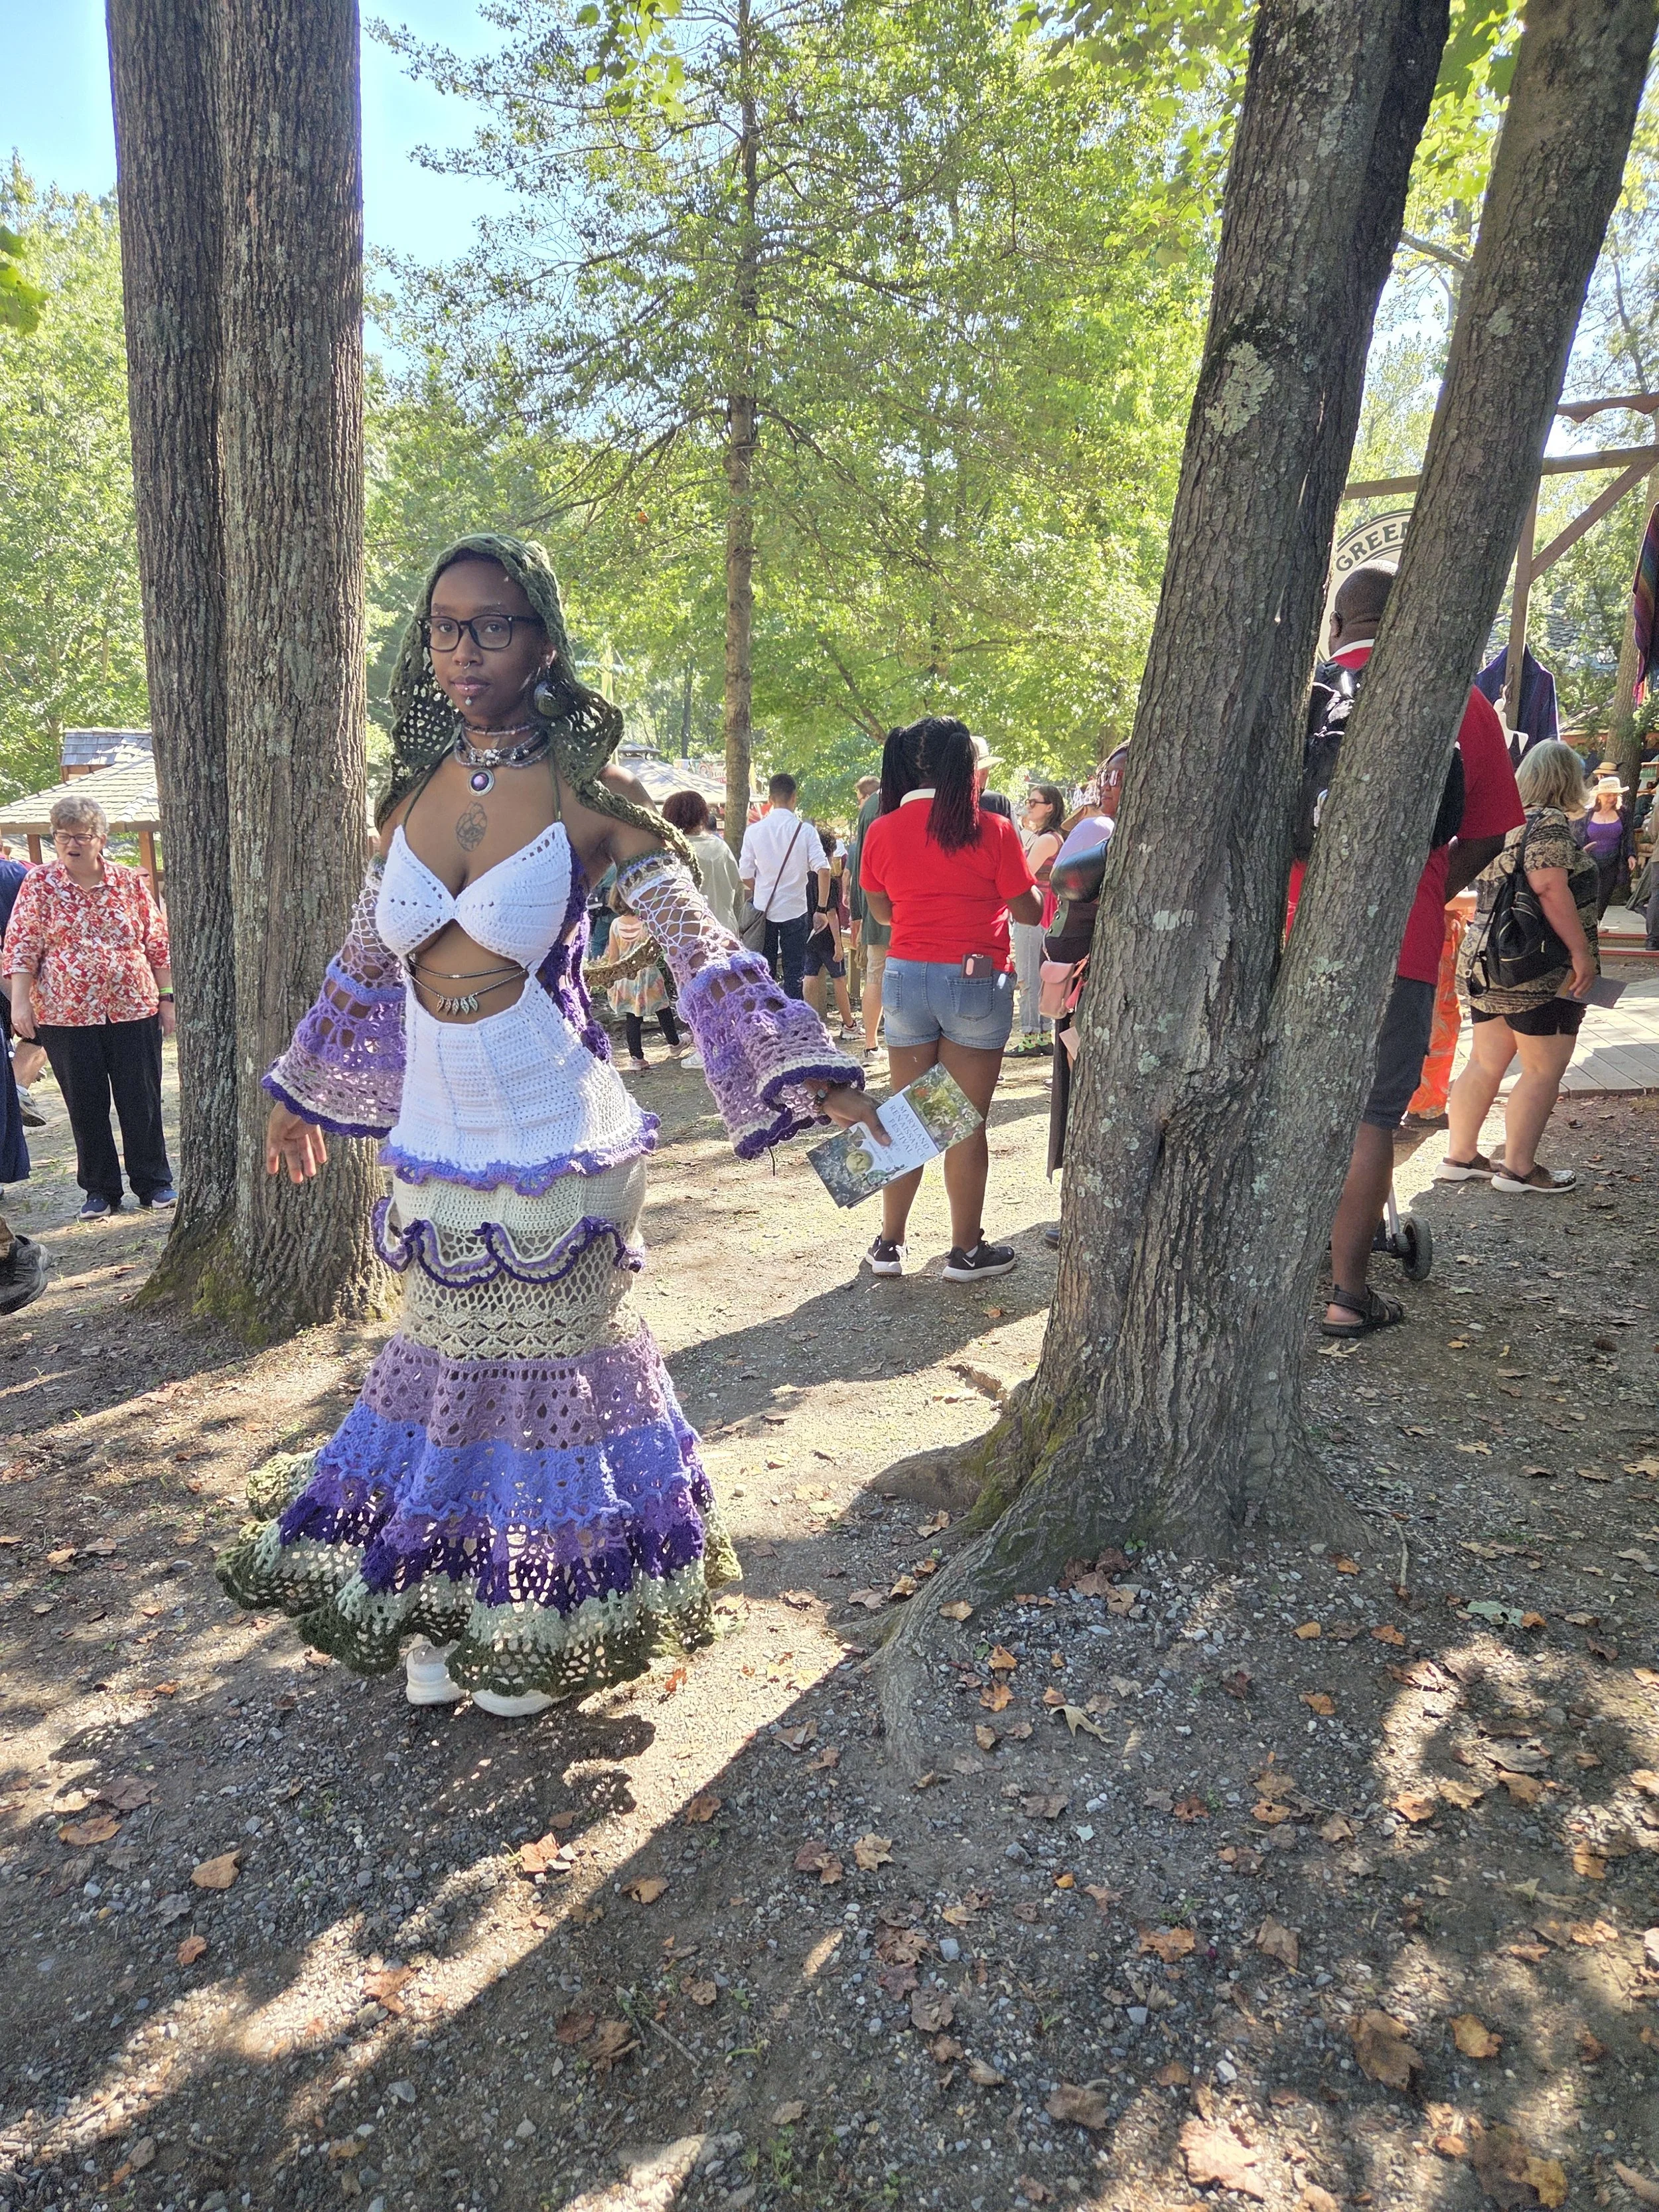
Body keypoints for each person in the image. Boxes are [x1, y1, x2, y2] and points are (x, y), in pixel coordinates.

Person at [222, 533, 877, 1718]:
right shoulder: (409, 800)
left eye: (492, 625)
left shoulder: (594, 805)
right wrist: (295, 1090)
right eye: (444, 626)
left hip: (555, 1132)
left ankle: (537, 1615)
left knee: (549, 1388)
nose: (464, 650)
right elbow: (369, 957)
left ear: (544, 642)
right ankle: (441, 1605)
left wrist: (807, 1072)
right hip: (432, 1133)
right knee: (441, 1378)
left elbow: (700, 948)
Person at [1305, 566, 1523, 1337]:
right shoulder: (1455, 703)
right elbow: (1494, 830)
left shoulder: (1304, 704)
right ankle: (1347, 1293)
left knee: (1289, 1102)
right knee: (1371, 1116)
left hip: (1292, 940)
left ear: (1336, 627)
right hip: (1396, 941)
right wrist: (1424, 889)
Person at [858, 716, 1041, 1281]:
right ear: (963, 761)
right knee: (964, 1121)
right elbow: (1027, 908)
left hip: (906, 975)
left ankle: (890, 1245)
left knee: (906, 1112)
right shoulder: (994, 829)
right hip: (976, 976)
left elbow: (882, 911)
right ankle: (965, 1251)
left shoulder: (882, 830)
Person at [3, 795, 177, 1222]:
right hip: (65, 1015)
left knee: (142, 1098)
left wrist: (167, 998)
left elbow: (157, 943)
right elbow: (22, 947)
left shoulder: (129, 883)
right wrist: (20, 1004)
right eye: (62, 836)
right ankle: (99, 1190)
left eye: (80, 836)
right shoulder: (40, 884)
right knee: (85, 1103)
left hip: (133, 1008)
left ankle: (153, 1182)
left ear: (100, 839)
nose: (70, 844)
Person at [1437, 742, 1599, 1196]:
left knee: (1486, 1061)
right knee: (1543, 1069)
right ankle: (1519, 1168)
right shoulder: (1549, 824)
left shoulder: (1503, 824)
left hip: (1488, 962)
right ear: (1568, 779)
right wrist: (1582, 952)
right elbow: (1548, 886)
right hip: (1538, 965)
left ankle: (1461, 1155)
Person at [739, 773, 829, 1000]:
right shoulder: (805, 831)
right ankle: (794, 1022)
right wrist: (822, 909)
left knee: (764, 972)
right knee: (795, 973)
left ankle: (767, 1019)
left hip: (764, 911)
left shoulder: (754, 831)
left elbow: (745, 874)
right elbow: (824, 870)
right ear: (794, 798)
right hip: (795, 910)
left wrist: (762, 889)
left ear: (770, 798)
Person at [590, 892, 684, 1070]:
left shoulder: (615, 925)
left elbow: (614, 957)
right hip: (649, 976)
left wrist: (611, 980)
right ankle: (674, 1043)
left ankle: (636, 1058)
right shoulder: (647, 922)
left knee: (632, 1017)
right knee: (663, 1009)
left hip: (626, 977)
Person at [1011, 783, 1065, 1054]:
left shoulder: (1046, 839)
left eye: (1035, 802)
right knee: (1036, 974)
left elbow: (1023, 874)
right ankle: (1042, 1035)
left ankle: (1032, 1036)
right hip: (1043, 912)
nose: (1029, 806)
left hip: (1036, 913)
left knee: (1029, 975)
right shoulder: (1044, 837)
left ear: (1050, 807)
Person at [847, 771, 890, 1059]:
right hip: (913, 908)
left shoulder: (871, 808)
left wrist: (857, 914)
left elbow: (861, 867)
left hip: (876, 907)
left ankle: (871, 1043)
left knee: (875, 976)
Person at [804, 822, 857, 1039]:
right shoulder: (830, 880)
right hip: (827, 935)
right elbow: (832, 914)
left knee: (810, 976)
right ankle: (849, 1024)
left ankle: (809, 1023)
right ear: (831, 851)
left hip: (808, 932)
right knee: (839, 978)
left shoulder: (805, 877)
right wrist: (837, 943)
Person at [661, 790, 741, 932]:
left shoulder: (672, 852)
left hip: (689, 934)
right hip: (725, 929)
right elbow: (736, 883)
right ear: (702, 815)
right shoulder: (721, 846)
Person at [1579, 769, 1634, 918]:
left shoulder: (1623, 813)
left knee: (1605, 893)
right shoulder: (1587, 814)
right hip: (1590, 860)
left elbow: (1628, 835)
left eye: (1615, 795)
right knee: (1589, 893)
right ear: (1599, 796)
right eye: (1609, 795)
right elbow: (1578, 837)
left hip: (1613, 860)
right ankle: (1588, 921)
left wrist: (1631, 855)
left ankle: (1598, 921)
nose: (1612, 798)